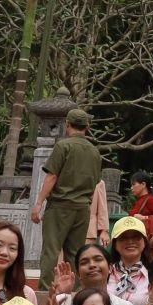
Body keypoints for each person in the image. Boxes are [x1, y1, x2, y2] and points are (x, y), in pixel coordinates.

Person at [32, 108, 101, 280]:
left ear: (67, 124)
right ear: (87, 127)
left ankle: (46, 289)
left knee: (51, 250)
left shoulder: (63, 146)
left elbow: (52, 176)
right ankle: (75, 289)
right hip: (82, 208)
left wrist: (39, 203)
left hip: (60, 206)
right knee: (76, 253)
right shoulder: (94, 152)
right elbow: (95, 183)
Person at [126, 173, 153, 240]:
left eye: (133, 184)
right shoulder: (141, 200)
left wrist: (145, 218)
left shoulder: (150, 199)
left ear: (143, 184)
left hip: (144, 238)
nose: (131, 188)